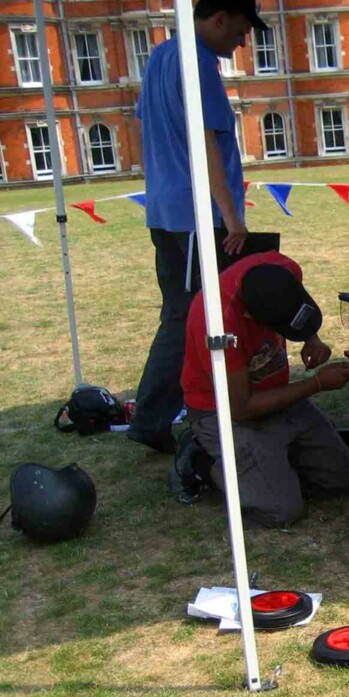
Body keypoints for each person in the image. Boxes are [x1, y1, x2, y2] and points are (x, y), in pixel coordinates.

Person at [129, 0, 261, 453]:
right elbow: (204, 141)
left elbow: (149, 125)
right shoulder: (198, 63)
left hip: (167, 209)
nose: (243, 41)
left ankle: (171, 408)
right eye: (241, 30)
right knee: (188, 318)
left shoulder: (161, 55)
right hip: (194, 217)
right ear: (219, 18)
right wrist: (230, 215)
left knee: (185, 313)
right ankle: (151, 418)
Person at [180, 252, 349, 528]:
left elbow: (297, 305)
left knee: (340, 480)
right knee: (280, 511)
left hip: (277, 396)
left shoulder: (282, 269)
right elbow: (241, 408)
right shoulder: (217, 324)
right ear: (251, 315)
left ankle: (270, 462)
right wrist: (317, 384)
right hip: (226, 413)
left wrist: (310, 336)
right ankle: (204, 460)